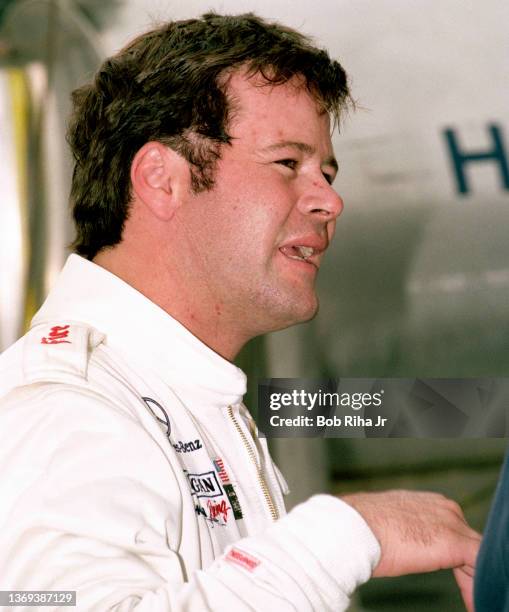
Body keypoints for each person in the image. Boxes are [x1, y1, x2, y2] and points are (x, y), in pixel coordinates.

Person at [0, 12, 480, 611]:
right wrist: (350, 532)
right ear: (160, 178)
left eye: (326, 172)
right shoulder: (67, 405)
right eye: (287, 164)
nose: (330, 199)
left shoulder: (174, 402)